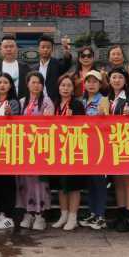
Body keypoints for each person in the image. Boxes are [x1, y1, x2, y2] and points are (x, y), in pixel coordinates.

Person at [16, 72, 54, 231]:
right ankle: (28, 212)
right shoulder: (21, 102)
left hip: (40, 148)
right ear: (27, 84)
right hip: (24, 149)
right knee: (24, 182)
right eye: (33, 82)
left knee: (39, 182)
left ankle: (40, 214)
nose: (36, 85)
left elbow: (50, 124)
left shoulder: (46, 102)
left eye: (39, 82)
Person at [103, 67, 129, 231]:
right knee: (117, 180)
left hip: (127, 142)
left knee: (128, 180)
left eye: (120, 77)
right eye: (114, 77)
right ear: (109, 80)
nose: (116, 80)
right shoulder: (107, 98)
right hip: (111, 143)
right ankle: (121, 212)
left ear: (125, 80)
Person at [51, 74, 86, 231]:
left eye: (69, 86)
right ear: (58, 88)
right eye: (63, 85)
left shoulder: (77, 105)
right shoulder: (54, 104)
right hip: (57, 149)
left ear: (73, 89)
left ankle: (73, 217)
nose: (65, 88)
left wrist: (73, 120)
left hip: (73, 149)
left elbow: (83, 127)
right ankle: (63, 215)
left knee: (73, 185)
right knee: (60, 185)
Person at [0, 73, 21, 230]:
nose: (2, 85)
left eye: (5, 82)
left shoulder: (13, 102)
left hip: (8, 147)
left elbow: (15, 122)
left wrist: (9, 116)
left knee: (8, 182)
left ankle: (9, 216)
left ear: (10, 85)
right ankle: (1, 213)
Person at [78, 70, 108, 230]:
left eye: (95, 81)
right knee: (89, 182)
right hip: (84, 146)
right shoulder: (81, 101)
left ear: (100, 84)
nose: (91, 84)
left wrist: (103, 116)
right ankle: (92, 212)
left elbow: (107, 124)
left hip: (99, 146)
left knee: (99, 181)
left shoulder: (103, 100)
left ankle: (101, 215)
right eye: (88, 81)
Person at [0, 34, 30, 101]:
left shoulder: (25, 67)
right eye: (6, 47)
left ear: (17, 49)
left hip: (21, 103)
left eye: (11, 46)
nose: (9, 49)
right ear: (1, 50)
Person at [34, 34, 72, 99]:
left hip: (54, 101)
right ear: (38, 49)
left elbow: (66, 64)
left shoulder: (57, 64)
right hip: (37, 100)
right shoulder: (34, 68)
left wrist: (66, 52)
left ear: (52, 49)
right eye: (43, 47)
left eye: (48, 47)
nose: (45, 50)